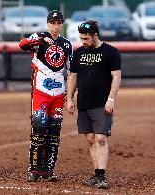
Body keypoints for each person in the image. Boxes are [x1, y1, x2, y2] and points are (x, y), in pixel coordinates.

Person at [66, 20, 121, 189]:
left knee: (100, 138)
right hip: (84, 102)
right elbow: (72, 77)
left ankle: (102, 176)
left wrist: (111, 99)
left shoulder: (110, 52)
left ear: (95, 35)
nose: (83, 41)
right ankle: (96, 174)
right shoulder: (79, 53)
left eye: (86, 38)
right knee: (90, 139)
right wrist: (69, 98)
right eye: (81, 38)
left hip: (102, 103)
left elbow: (116, 77)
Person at [19, 10, 73, 182]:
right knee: (39, 128)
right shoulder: (39, 38)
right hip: (41, 92)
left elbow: (71, 71)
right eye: (53, 23)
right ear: (48, 23)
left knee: (54, 131)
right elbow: (22, 44)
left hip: (59, 93)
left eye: (59, 23)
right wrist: (41, 39)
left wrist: (71, 95)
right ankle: (34, 169)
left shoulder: (66, 44)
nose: (56, 27)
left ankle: (49, 170)